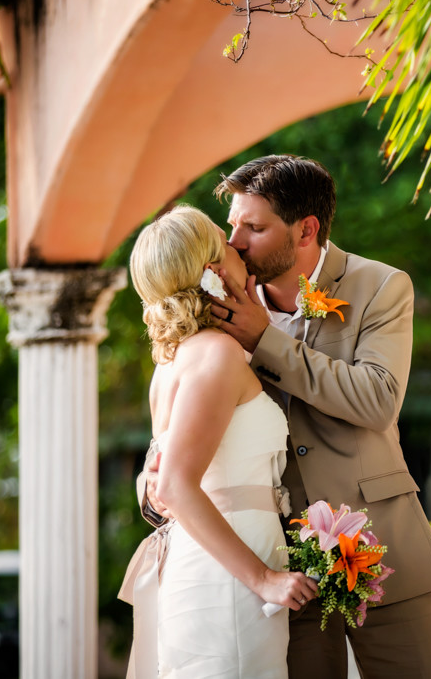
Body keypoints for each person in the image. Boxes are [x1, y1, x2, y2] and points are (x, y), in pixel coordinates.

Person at [143, 155, 431, 678]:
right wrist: (154, 477)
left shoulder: (380, 287)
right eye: (234, 225)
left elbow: (378, 400)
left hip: (380, 545)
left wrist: (266, 341)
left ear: (306, 230)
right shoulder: (217, 318)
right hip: (279, 566)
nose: (236, 241)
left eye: (255, 227)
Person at [122, 204, 318, 679]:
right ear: (212, 269)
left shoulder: (175, 361)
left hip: (217, 560)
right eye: (223, 239)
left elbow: (156, 480)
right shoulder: (217, 356)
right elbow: (174, 486)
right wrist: (265, 579)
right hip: (232, 579)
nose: (236, 247)